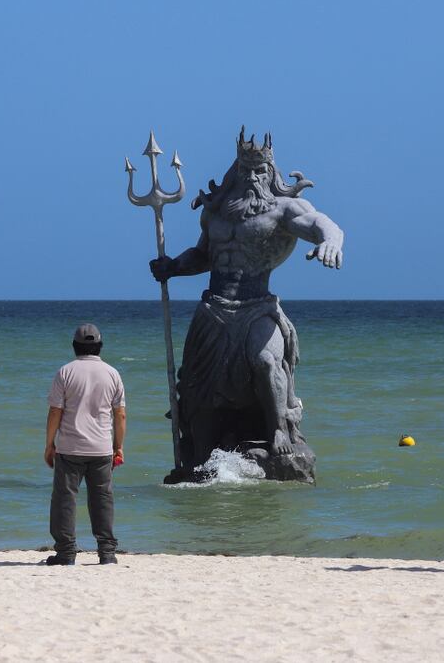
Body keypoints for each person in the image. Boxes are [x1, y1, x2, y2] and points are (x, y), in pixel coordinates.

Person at [149, 128, 343, 482]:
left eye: (260, 172)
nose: (252, 178)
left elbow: (319, 222)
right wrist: (174, 267)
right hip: (214, 309)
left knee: (267, 362)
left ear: (272, 174)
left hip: (257, 307)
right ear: (235, 172)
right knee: (194, 385)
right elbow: (204, 255)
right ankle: (198, 455)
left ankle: (279, 429)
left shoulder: (284, 209)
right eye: (246, 171)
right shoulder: (217, 212)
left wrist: (332, 239)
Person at [43, 323, 126, 565]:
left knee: (64, 499)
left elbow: (55, 412)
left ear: (74, 346)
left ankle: (66, 552)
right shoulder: (112, 373)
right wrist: (117, 446)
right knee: (102, 498)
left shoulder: (65, 372)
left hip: (70, 447)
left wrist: (49, 444)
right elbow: (120, 414)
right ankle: (107, 552)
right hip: (101, 448)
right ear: (99, 346)